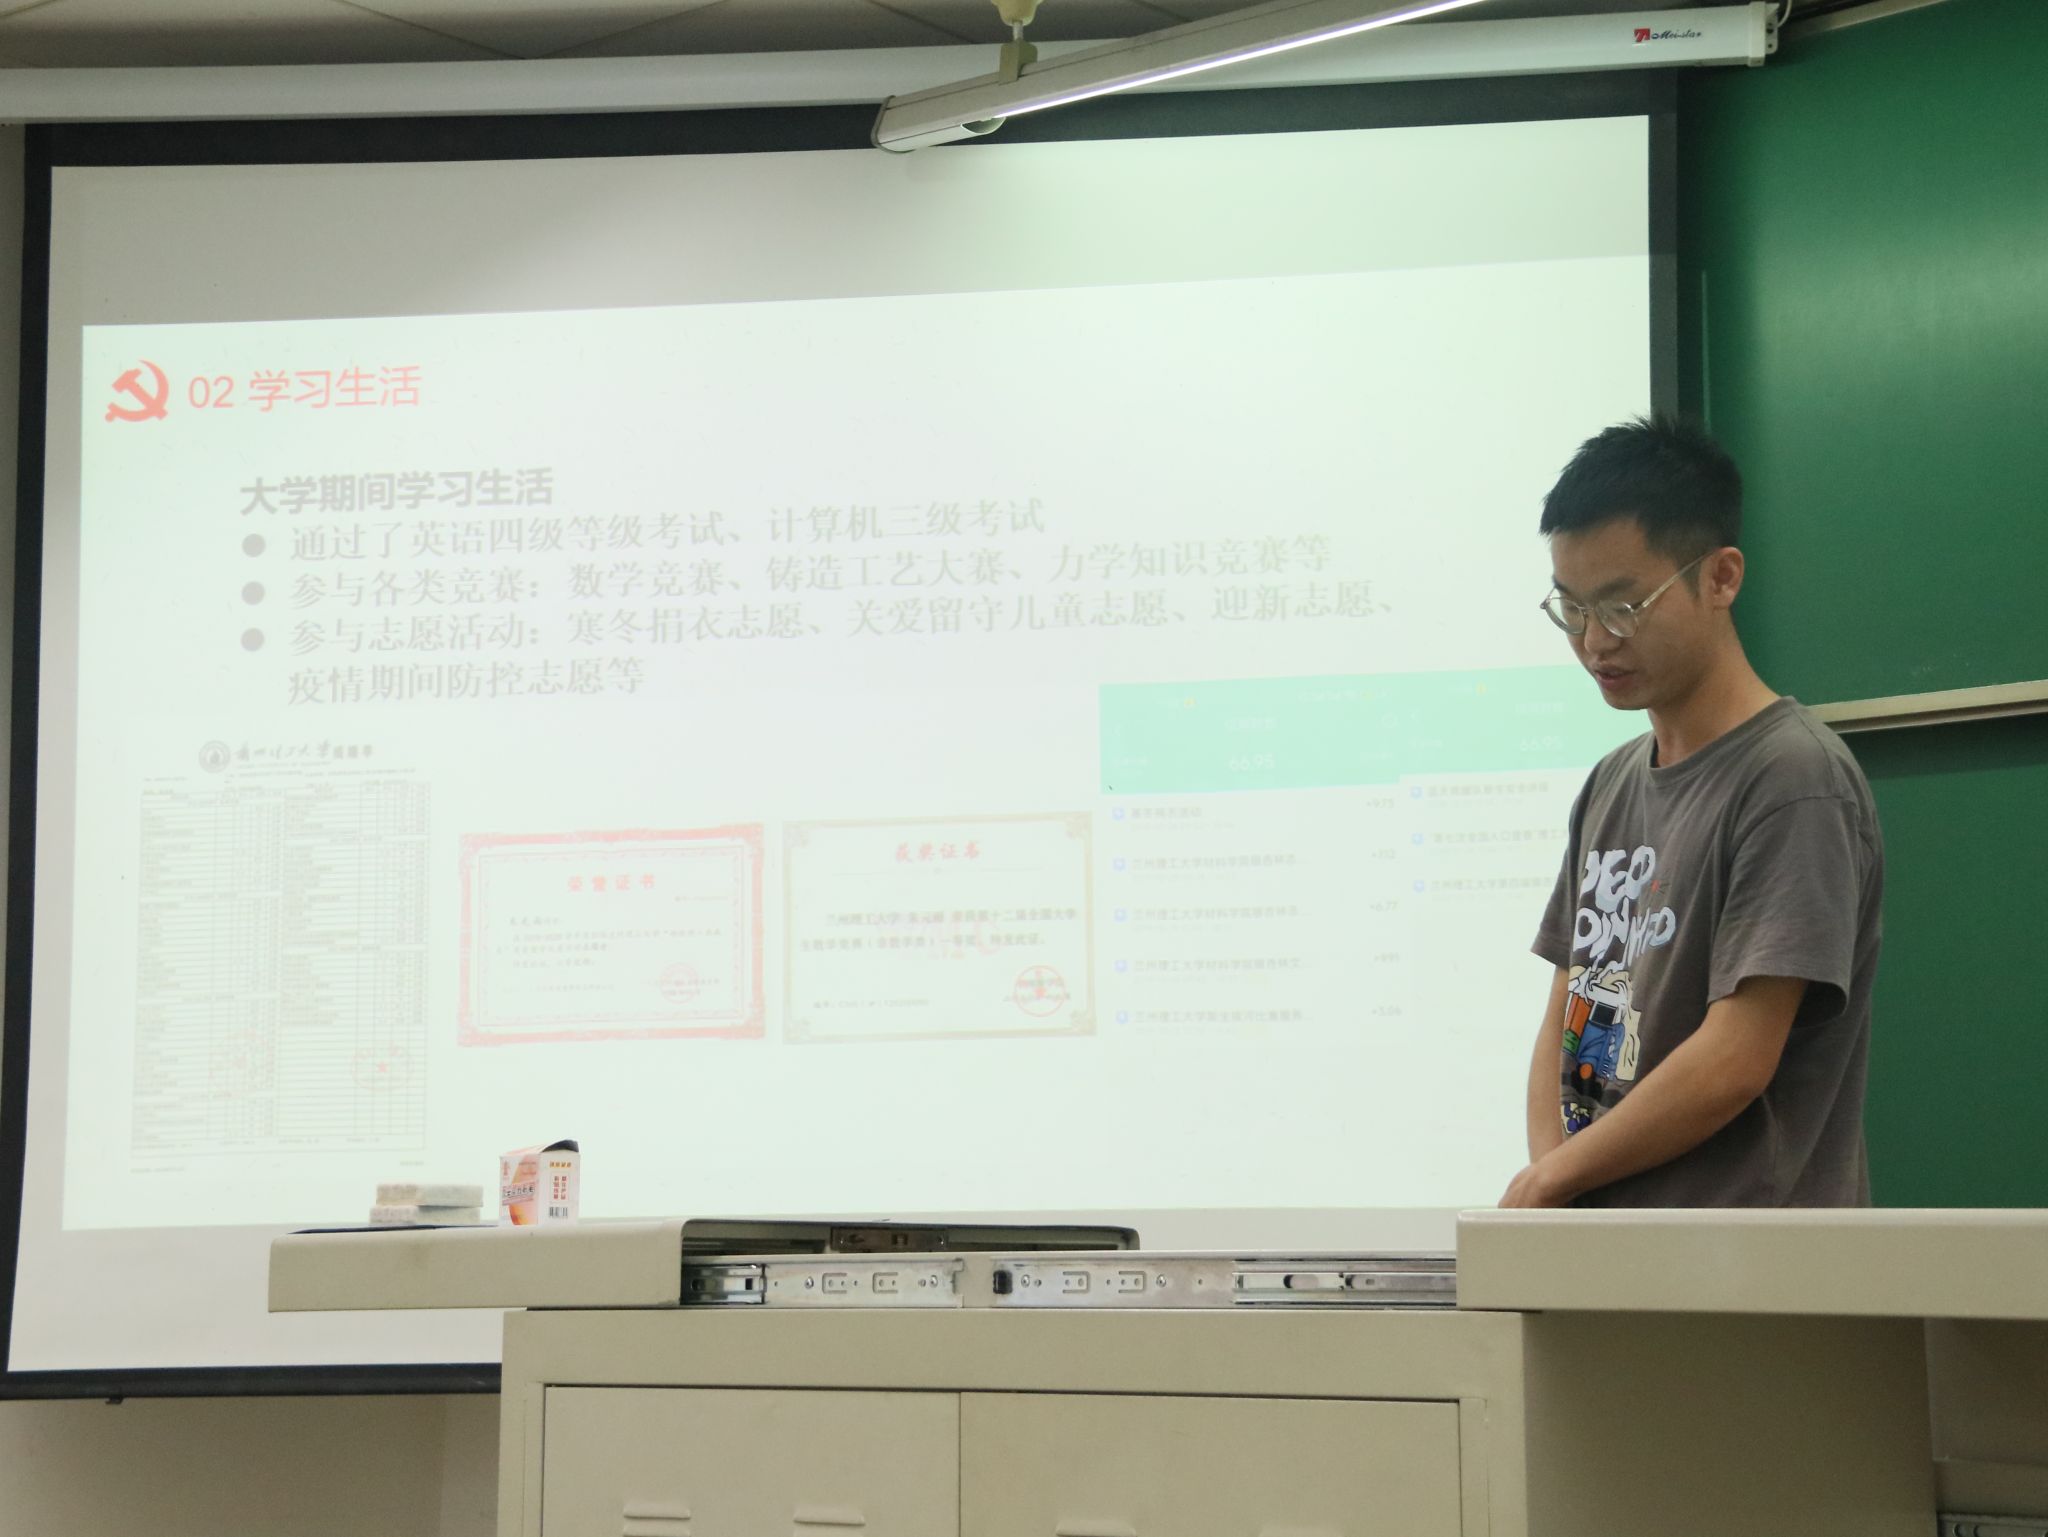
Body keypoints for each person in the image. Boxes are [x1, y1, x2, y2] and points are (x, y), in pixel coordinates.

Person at [1499, 415, 1883, 1208]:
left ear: (1721, 578)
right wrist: (1551, 1182)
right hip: (1608, 1251)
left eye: (1623, 606)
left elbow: (1737, 1056)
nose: (1595, 641)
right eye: (1570, 608)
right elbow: (1570, 1009)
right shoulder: (1610, 783)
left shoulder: (1793, 777)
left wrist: (1556, 1178)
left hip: (1742, 1262)